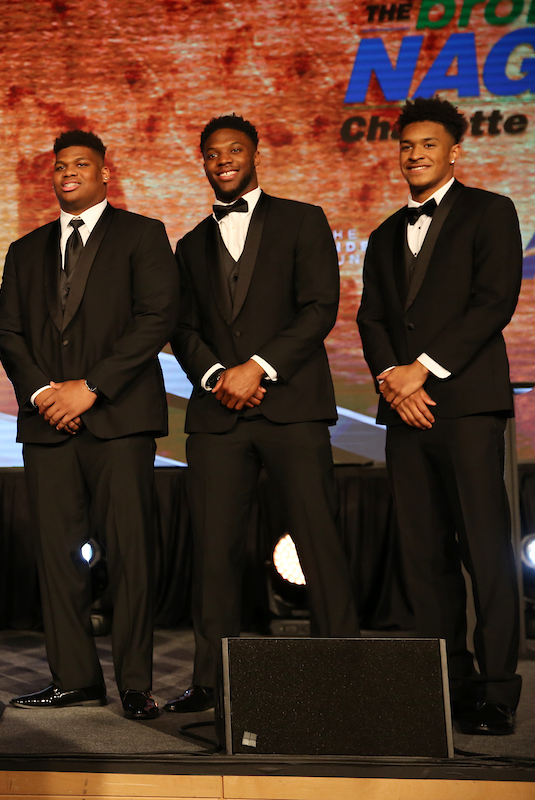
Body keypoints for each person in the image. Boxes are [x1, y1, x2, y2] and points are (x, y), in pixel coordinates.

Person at [165, 115, 360, 714]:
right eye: (213, 153)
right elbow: (182, 326)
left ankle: (342, 675)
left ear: (255, 155)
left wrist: (257, 366)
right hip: (217, 416)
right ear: (203, 161)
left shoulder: (304, 219)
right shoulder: (190, 242)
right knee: (214, 552)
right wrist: (217, 376)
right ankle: (211, 681)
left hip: (293, 408)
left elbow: (319, 307)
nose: (224, 159)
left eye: (235, 150)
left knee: (318, 542)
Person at [0, 130, 178, 720]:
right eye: (60, 166)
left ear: (104, 173)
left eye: (81, 164)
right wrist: (46, 392)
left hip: (119, 420)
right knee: (57, 557)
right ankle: (73, 677)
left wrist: (90, 388)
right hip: (48, 424)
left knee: (130, 556)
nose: (68, 173)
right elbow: (11, 331)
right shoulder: (25, 250)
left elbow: (156, 318)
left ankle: (134, 683)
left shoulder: (143, 235)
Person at [357, 97, 523, 736]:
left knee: (487, 553)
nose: (415, 153)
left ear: (455, 151)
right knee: (423, 556)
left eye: (428, 144)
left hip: (466, 407)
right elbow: (372, 319)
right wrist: (392, 383)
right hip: (405, 413)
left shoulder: (491, 211)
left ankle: (497, 691)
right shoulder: (380, 234)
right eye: (406, 145)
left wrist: (422, 369)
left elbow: (493, 302)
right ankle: (445, 684)